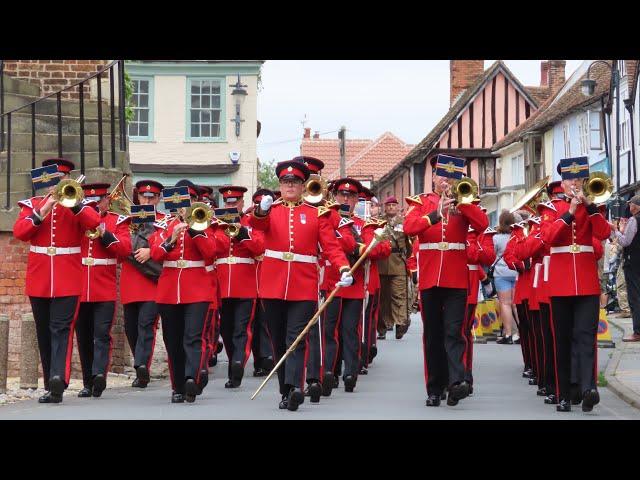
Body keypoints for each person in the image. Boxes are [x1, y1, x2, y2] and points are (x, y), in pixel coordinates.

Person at [250, 160, 353, 411]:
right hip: (273, 284)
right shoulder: (270, 210)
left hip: (303, 284)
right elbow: (257, 225)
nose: (290, 187)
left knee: (295, 338)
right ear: (280, 185)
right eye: (286, 183)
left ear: (302, 185)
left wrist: (343, 268)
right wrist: (261, 211)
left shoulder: (315, 213)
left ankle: (295, 387)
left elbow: (331, 246)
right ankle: (285, 390)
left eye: (294, 182)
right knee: (278, 340)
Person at [13, 158, 101, 403]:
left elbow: (95, 223)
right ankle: (51, 381)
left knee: (60, 329)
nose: (57, 184)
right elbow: (20, 233)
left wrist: (75, 205)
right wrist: (42, 211)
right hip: (39, 277)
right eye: (54, 179)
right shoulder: (32, 204)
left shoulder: (79, 205)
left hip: (68, 277)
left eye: (62, 179)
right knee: (43, 331)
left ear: (68, 180)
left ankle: (57, 380)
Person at [404, 154, 488, 407]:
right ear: (433, 177)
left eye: (452, 177)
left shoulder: (465, 202)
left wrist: (462, 204)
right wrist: (435, 214)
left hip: (456, 279)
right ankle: (434, 387)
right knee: (433, 334)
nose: (446, 181)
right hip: (430, 278)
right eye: (442, 176)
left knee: (454, 332)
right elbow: (409, 228)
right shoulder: (421, 203)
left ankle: (456, 383)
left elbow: (482, 224)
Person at [539, 156, 613, 412]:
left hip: (586, 283)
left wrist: (590, 207)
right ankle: (563, 393)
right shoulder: (551, 209)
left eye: (579, 179)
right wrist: (570, 212)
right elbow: (548, 238)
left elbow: (604, 234)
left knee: (585, 337)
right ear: (563, 182)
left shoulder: (594, 208)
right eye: (570, 179)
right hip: (560, 284)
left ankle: (587, 388)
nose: (575, 184)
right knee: (562, 339)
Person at [150, 179, 221, 403]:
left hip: (197, 289)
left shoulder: (206, 224)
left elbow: (210, 252)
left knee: (192, 337)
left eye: (188, 201)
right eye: (181, 201)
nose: (184, 206)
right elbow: (155, 254)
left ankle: (192, 378)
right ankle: (177, 386)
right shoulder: (163, 225)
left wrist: (195, 230)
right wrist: (172, 239)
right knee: (173, 341)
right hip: (169, 289)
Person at [324, 178, 391, 393]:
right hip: (332, 281)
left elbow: (383, 249)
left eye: (351, 196)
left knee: (350, 330)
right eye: (342, 195)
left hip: (355, 283)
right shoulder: (327, 219)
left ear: (356, 200)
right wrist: (356, 246)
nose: (345, 199)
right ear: (335, 197)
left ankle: (350, 372)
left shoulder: (364, 224)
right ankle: (331, 372)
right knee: (330, 329)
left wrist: (357, 248)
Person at [75, 183, 132, 398]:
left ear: (108, 199)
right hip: (79, 286)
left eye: (100, 200)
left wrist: (104, 234)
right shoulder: (78, 220)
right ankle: (87, 381)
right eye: (91, 201)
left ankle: (99, 375)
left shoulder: (117, 221)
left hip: (104, 287)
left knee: (101, 334)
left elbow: (125, 250)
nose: (97, 204)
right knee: (83, 336)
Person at [214, 185, 265, 388]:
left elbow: (259, 247)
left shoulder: (251, 223)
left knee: (241, 328)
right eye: (227, 202)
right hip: (222, 284)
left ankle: (237, 364)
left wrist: (242, 233)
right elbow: (212, 250)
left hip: (245, 284)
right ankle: (233, 360)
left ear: (242, 203)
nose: (231, 205)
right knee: (226, 329)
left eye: (235, 202)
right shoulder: (216, 225)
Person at [121, 180, 166, 389]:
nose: (147, 200)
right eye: (143, 196)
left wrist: (151, 251)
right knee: (131, 328)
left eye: (152, 197)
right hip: (131, 281)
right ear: (138, 196)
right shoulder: (128, 220)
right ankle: (141, 364)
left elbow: (168, 244)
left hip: (152, 283)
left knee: (146, 325)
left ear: (158, 199)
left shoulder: (164, 221)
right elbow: (120, 243)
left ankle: (141, 367)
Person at [377, 196, 412, 340]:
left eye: (393, 205)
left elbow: (409, 245)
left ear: (398, 207)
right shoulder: (379, 222)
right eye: (388, 205)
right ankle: (383, 327)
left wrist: (407, 260)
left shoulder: (404, 223)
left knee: (399, 296)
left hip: (398, 263)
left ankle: (400, 324)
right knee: (383, 298)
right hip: (381, 264)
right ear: (385, 207)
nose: (391, 207)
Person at [614, 195, 640, 342]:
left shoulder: (634, 220)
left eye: (630, 205)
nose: (629, 208)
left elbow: (625, 241)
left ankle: (637, 331)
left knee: (634, 297)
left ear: (634, 206)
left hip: (633, 263)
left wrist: (616, 230)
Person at [492, 210, 518, 344]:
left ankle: (508, 334)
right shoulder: (516, 236)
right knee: (516, 304)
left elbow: (492, 255)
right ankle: (519, 333)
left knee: (505, 304)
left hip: (502, 273)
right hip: (516, 272)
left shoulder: (496, 238)